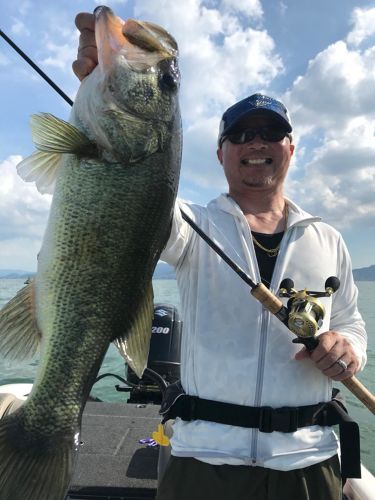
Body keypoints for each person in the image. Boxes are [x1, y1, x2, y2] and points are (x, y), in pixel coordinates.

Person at [73, 13, 367, 500]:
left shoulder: (329, 238)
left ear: (290, 148)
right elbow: (123, 201)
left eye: (270, 133)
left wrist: (347, 349)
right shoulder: (189, 225)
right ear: (220, 152)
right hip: (202, 461)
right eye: (240, 135)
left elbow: (353, 321)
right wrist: (101, 96)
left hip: (308, 461)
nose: (256, 143)